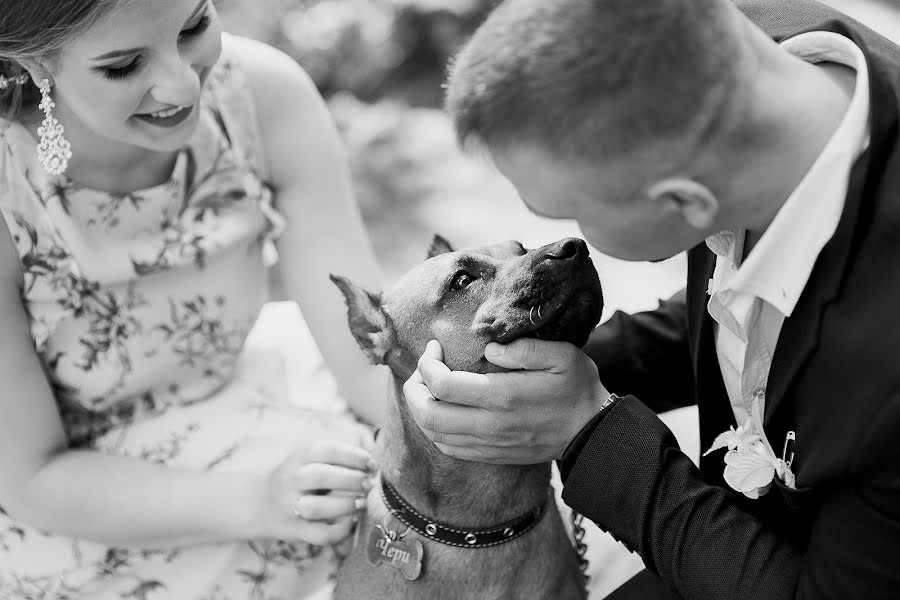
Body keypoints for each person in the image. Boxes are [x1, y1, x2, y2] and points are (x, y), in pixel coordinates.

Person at [403, 0, 900, 598]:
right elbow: (748, 320)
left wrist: (590, 431)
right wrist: (509, 386)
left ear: (686, 203)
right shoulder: (730, 62)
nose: (569, 240)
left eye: (574, 212)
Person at [0, 0, 387, 597]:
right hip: (82, 502)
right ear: (30, 62)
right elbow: (30, 477)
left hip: (245, 401)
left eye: (194, 27)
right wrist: (263, 499)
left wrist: (446, 435)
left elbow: (366, 352)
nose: (182, 82)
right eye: (124, 65)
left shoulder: (262, 93)